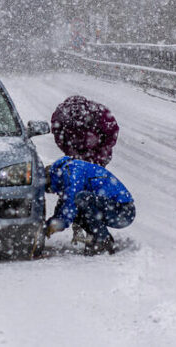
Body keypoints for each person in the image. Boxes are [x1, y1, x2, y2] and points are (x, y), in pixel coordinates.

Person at [45, 96, 135, 255]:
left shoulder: (73, 171)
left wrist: (99, 154)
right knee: (79, 201)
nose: (53, 191)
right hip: (114, 207)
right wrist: (50, 223)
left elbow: (70, 201)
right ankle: (95, 236)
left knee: (81, 199)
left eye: (50, 189)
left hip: (123, 211)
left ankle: (101, 239)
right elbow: (65, 203)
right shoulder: (68, 169)